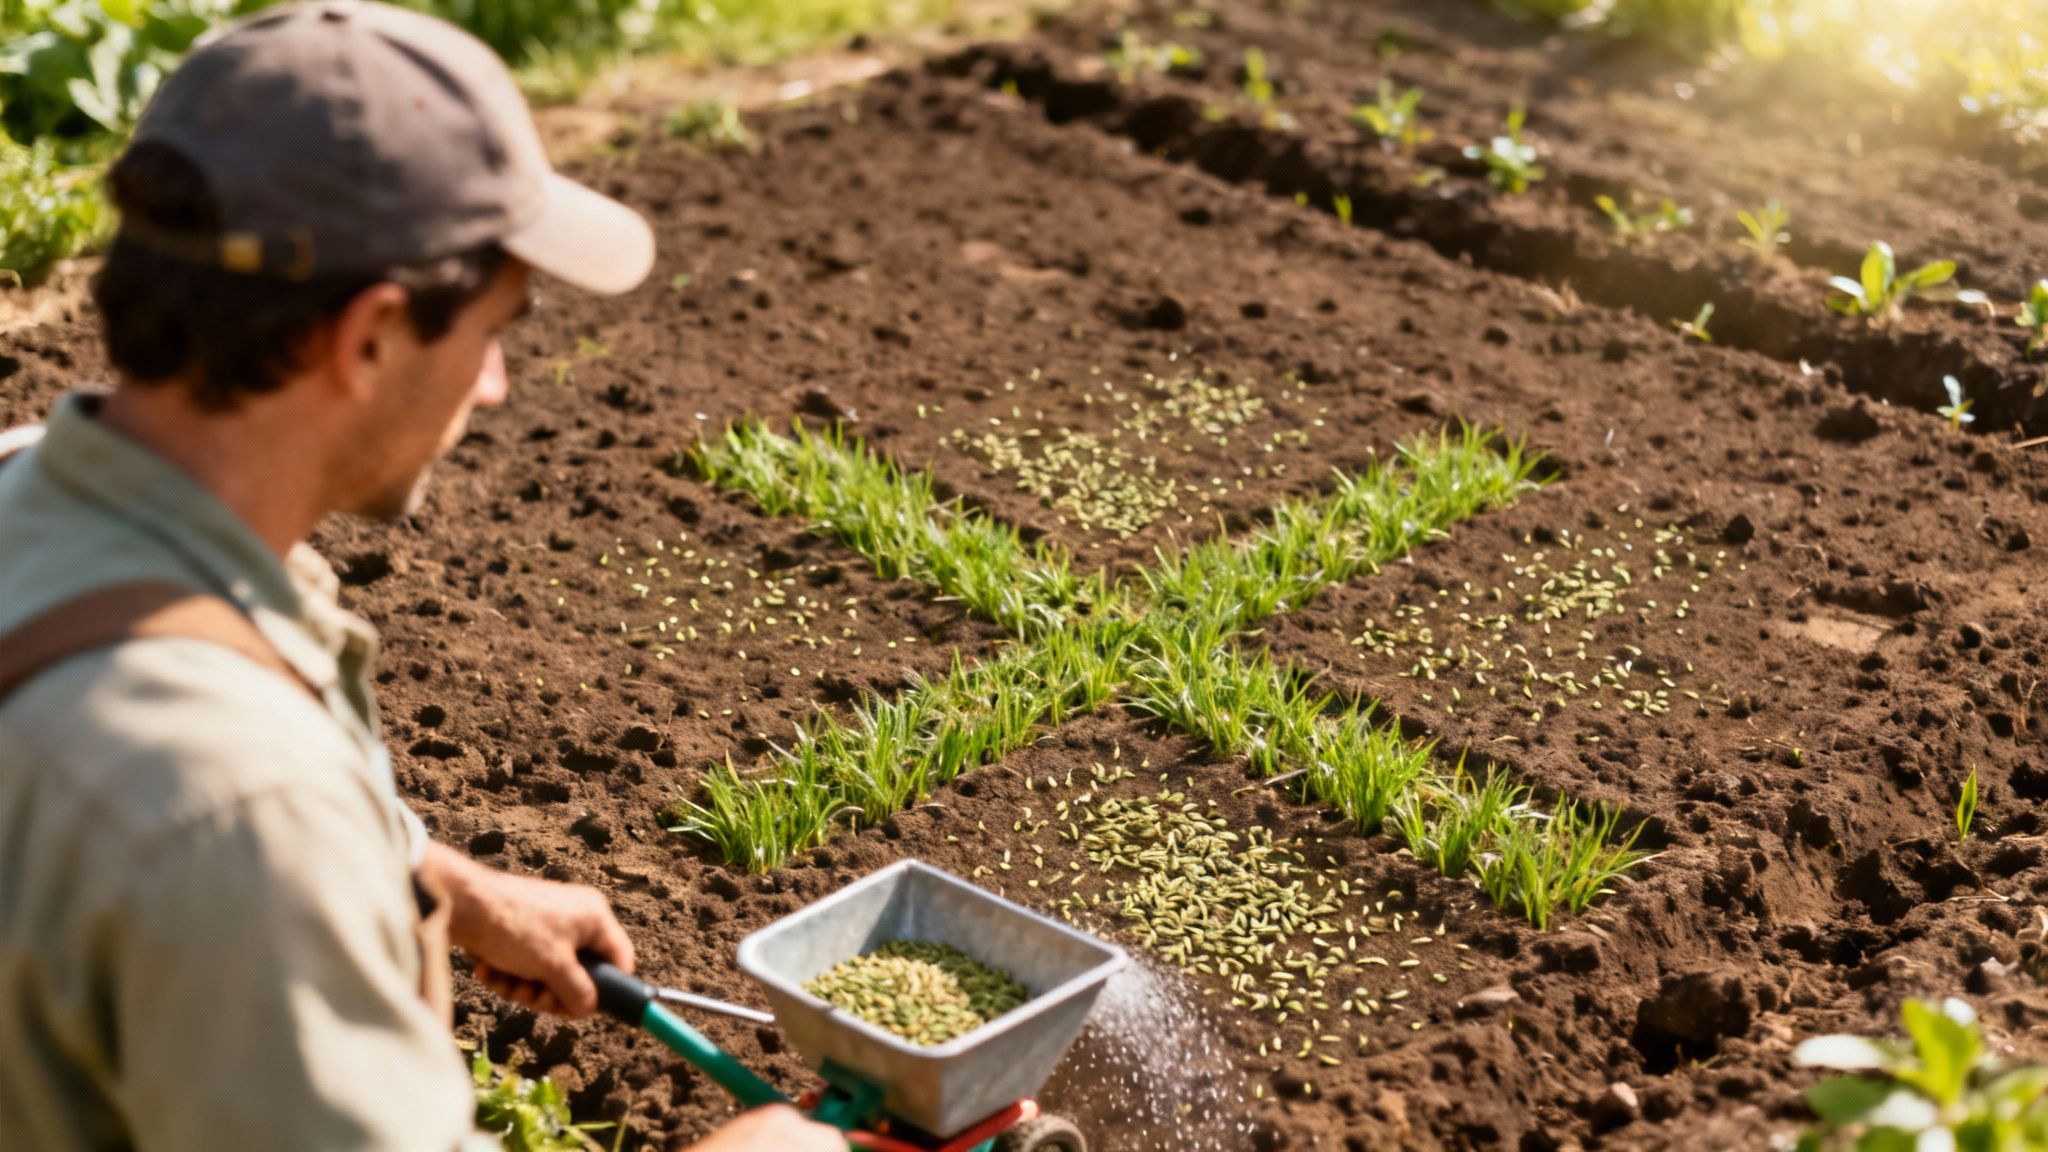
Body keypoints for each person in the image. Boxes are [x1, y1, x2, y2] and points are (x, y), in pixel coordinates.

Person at [0, 3, 842, 1150]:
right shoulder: (239, 811)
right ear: (369, 336)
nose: (491, 386)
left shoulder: (28, 493)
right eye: (493, 329)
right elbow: (222, 823)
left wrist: (443, 881)